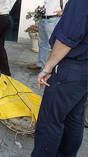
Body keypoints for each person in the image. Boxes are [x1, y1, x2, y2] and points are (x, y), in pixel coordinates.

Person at [32, 0, 88, 156]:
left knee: (50, 121)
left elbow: (69, 37)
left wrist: (48, 67)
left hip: (72, 69)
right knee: (74, 118)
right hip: (83, 70)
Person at [28, 0, 68, 70]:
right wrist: (41, 8)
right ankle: (41, 64)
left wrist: (64, 12)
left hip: (53, 19)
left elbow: (72, 3)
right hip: (43, 19)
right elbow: (50, 5)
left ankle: (53, 68)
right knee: (42, 43)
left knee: (54, 45)